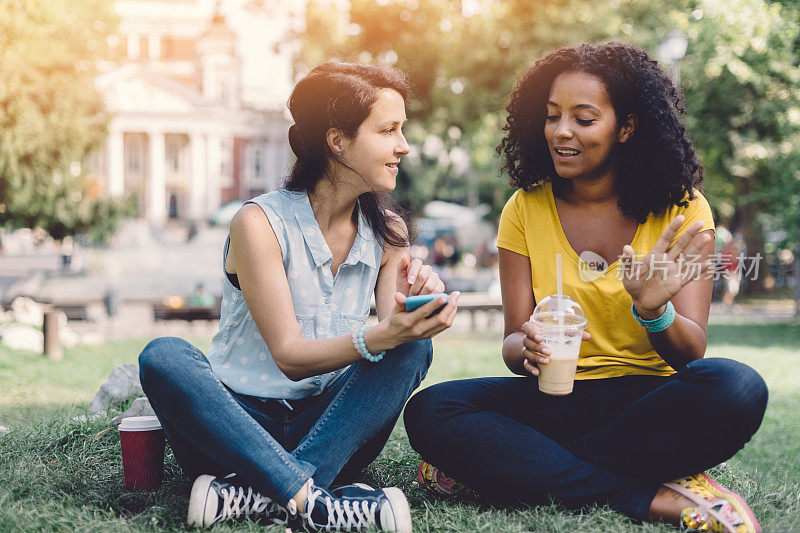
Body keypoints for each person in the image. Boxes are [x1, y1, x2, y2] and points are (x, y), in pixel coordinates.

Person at [404, 42, 767, 533]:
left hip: (648, 403)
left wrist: (653, 309)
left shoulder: (682, 211)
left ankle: (517, 470)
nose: (562, 132)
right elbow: (512, 345)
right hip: (557, 399)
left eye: (583, 118)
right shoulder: (524, 208)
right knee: (432, 409)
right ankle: (652, 494)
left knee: (737, 386)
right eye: (553, 117)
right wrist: (526, 343)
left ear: (627, 127)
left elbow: (692, 353)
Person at [139, 62, 461, 532]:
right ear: (338, 141)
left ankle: (260, 493)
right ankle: (316, 500)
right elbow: (289, 356)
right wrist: (379, 336)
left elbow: (396, 326)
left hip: (329, 428)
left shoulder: (388, 233)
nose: (403, 146)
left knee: (414, 347)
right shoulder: (258, 224)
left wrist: (417, 304)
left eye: (402, 130)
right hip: (237, 428)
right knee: (163, 356)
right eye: (389, 130)